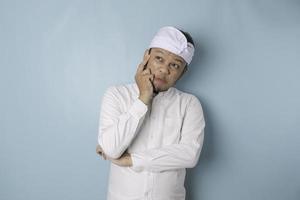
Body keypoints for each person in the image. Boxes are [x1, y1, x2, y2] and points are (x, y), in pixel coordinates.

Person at [96, 26, 205, 200]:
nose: (164, 70)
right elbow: (111, 148)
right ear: (146, 57)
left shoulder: (189, 104)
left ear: (183, 72)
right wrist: (143, 98)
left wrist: (133, 160)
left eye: (175, 65)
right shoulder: (116, 95)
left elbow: (190, 154)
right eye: (159, 59)